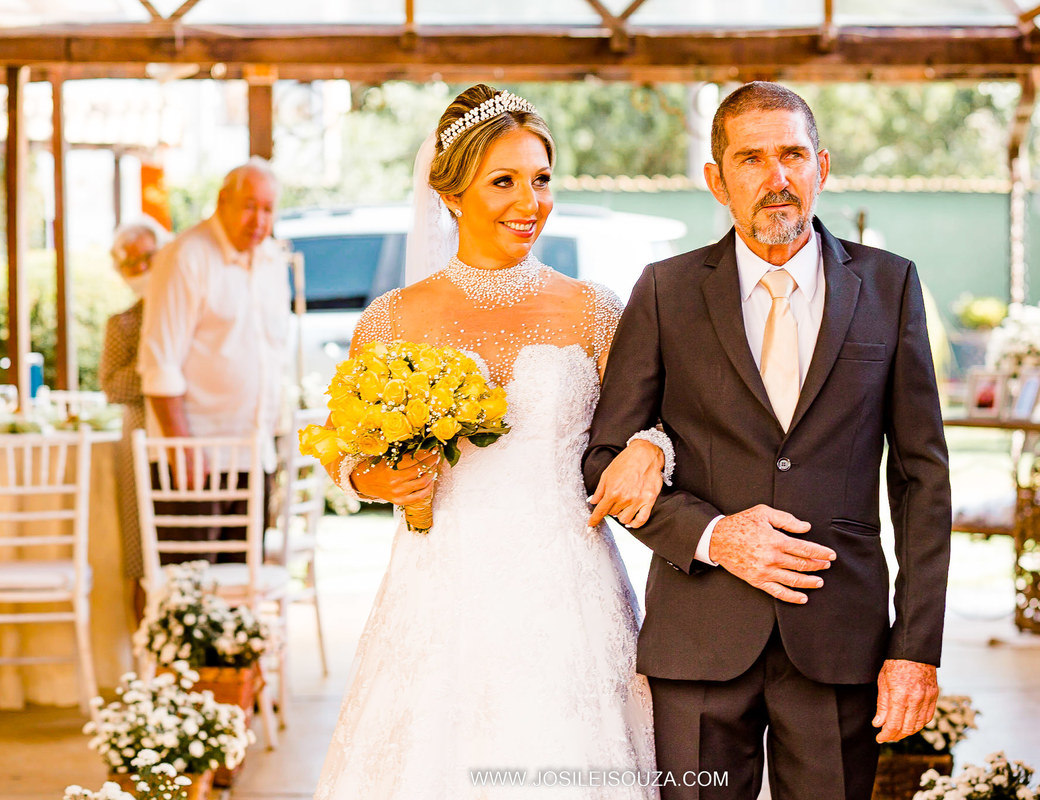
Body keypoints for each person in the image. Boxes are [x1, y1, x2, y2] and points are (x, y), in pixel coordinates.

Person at [584, 81, 952, 800]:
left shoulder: (889, 286)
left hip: (839, 638)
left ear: (822, 165)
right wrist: (714, 536)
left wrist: (915, 650)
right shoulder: (664, 291)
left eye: (792, 154)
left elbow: (922, 478)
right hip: (698, 639)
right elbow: (604, 460)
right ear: (717, 180)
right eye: (751, 159)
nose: (776, 177)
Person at [314, 84, 667, 798]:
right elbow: (338, 444)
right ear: (450, 193)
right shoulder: (394, 319)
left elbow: (656, 419)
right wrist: (370, 480)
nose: (528, 202)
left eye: (541, 180)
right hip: (440, 590)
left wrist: (652, 447)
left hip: (566, 590)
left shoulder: (595, 310)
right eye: (502, 181)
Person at [137, 158, 291, 564]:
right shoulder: (185, 256)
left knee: (242, 588)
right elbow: (160, 362)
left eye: (268, 208)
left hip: (253, 452)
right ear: (222, 201)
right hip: (196, 459)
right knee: (189, 590)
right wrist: (181, 445)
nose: (258, 219)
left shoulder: (274, 261)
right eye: (248, 205)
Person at [99, 216, 171, 614]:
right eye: (130, 263)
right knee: (141, 553)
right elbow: (113, 387)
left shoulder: (186, 310)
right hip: (139, 446)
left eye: (148, 257)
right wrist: (156, 361)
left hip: (187, 442)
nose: (141, 268)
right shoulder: (122, 323)